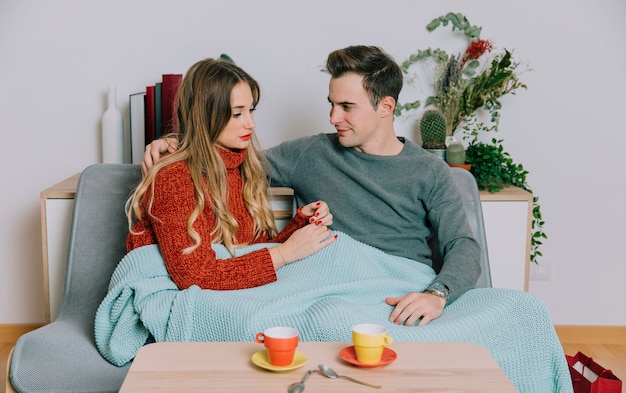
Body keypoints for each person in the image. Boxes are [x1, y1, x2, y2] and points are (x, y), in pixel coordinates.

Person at [143, 45, 482, 325]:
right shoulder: (310, 153)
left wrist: (437, 295)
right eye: (332, 105)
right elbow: (224, 159)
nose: (334, 118)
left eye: (347, 107)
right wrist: (174, 143)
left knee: (523, 312)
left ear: (386, 107)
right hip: (329, 292)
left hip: (401, 287)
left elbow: (463, 245)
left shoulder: (430, 171)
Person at [127, 57, 336, 291]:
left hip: (222, 293)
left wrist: (300, 225)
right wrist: (284, 253)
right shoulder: (174, 177)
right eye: (238, 114)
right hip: (178, 296)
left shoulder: (241, 166)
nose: (251, 123)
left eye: (251, 110)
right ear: (206, 115)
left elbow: (251, 256)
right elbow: (194, 276)